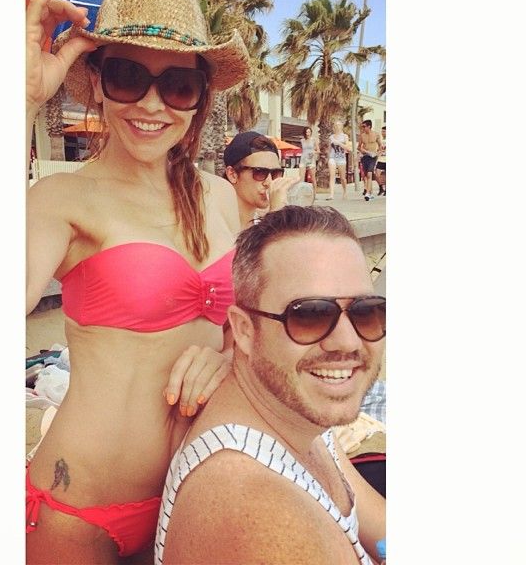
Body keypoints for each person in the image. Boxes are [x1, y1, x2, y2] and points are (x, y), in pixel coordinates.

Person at [25, 0, 251, 564]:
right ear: (98, 81)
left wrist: (225, 358)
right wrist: (22, 102)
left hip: (193, 496)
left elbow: (248, 326)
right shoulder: (63, 198)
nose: (152, 105)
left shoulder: (220, 196)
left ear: (200, 96)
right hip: (80, 507)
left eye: (177, 85)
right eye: (128, 77)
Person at [156, 206, 386, 564]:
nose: (347, 341)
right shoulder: (259, 512)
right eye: (309, 315)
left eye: (366, 311)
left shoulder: (297, 410)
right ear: (244, 330)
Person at [223, 131, 298, 227]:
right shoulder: (214, 224)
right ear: (232, 175)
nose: (269, 182)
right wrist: (276, 214)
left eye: (275, 173)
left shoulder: (259, 225)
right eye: (260, 172)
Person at [358, 119, 383, 201]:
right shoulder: (362, 136)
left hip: (373, 157)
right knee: (366, 176)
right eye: (362, 126)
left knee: (369, 174)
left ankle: (368, 193)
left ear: (369, 126)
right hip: (365, 156)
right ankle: (370, 193)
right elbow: (359, 147)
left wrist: (378, 153)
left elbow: (380, 146)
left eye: (364, 126)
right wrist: (364, 151)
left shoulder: (376, 134)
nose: (363, 128)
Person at [327, 119, 350, 200]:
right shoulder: (331, 137)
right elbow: (329, 149)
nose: (337, 126)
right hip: (332, 157)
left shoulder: (345, 136)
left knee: (342, 178)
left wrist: (339, 143)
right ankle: (331, 195)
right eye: (336, 125)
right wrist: (328, 157)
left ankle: (345, 191)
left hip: (341, 158)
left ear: (342, 126)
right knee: (332, 176)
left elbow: (347, 148)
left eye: (339, 125)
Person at [299, 125, 320, 193]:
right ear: (304, 133)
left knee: (313, 178)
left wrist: (313, 152)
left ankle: (314, 193)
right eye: (306, 132)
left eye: (309, 132)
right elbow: (303, 150)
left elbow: (318, 151)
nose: (308, 133)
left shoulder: (314, 140)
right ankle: (301, 193)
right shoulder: (302, 140)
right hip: (303, 160)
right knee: (301, 178)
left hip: (311, 160)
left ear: (311, 132)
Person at [374, 125, 386, 196]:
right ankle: (381, 187)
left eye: (384, 131)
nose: (382, 133)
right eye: (382, 131)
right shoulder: (380, 140)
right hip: (381, 159)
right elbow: (378, 149)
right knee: (377, 174)